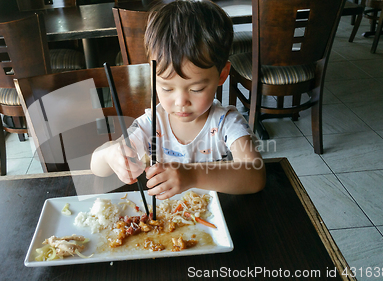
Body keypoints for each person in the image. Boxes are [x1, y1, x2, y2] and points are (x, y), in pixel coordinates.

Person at [91, 0, 265, 199]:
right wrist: (110, 155)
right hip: (169, 219)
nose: (181, 101)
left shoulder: (226, 122)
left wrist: (192, 175)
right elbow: (97, 166)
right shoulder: (152, 123)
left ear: (222, 75)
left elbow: (255, 174)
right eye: (166, 88)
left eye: (196, 89)